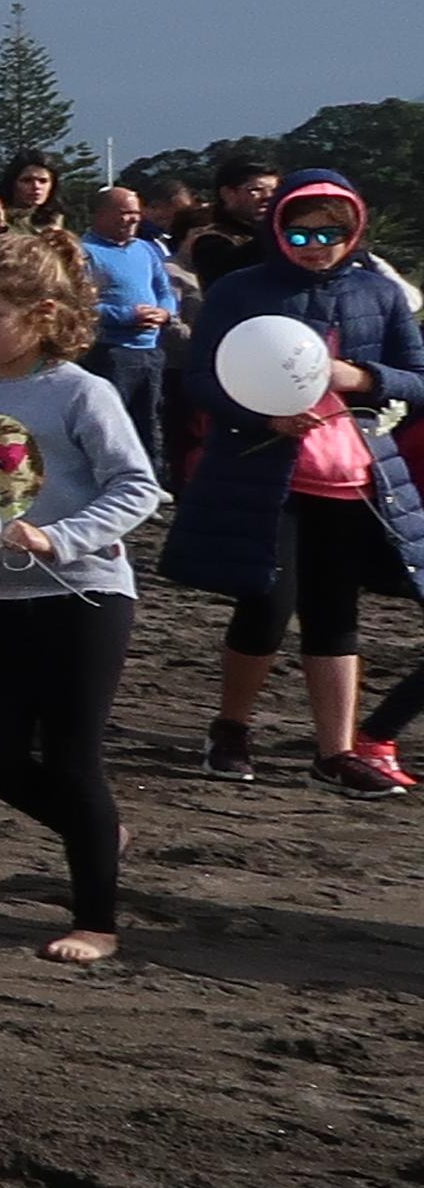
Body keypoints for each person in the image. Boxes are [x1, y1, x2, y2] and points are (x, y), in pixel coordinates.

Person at [0, 231, 166, 960]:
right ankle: (95, 829)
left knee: (73, 761)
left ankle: (96, 920)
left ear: (40, 313)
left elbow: (138, 488)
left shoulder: (81, 391)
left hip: (86, 595)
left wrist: (58, 538)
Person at [172, 171, 424, 791]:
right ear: (276, 228)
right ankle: (231, 727)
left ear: (354, 231)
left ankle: (335, 751)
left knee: (336, 614)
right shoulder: (240, 290)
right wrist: (263, 416)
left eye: (331, 233)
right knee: (266, 606)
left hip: (354, 474)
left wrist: (362, 378)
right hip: (265, 471)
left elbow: (417, 377)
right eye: (301, 230)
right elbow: (201, 379)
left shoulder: (379, 293)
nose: (316, 244)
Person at [80, 179, 179, 459]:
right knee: (111, 422)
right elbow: (80, 305)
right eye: (124, 212)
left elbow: (165, 291)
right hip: (110, 352)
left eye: (135, 212)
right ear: (100, 214)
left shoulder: (146, 249)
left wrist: (164, 312)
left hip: (151, 349)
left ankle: (151, 478)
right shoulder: (83, 252)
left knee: (151, 420)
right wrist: (127, 316)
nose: (133, 218)